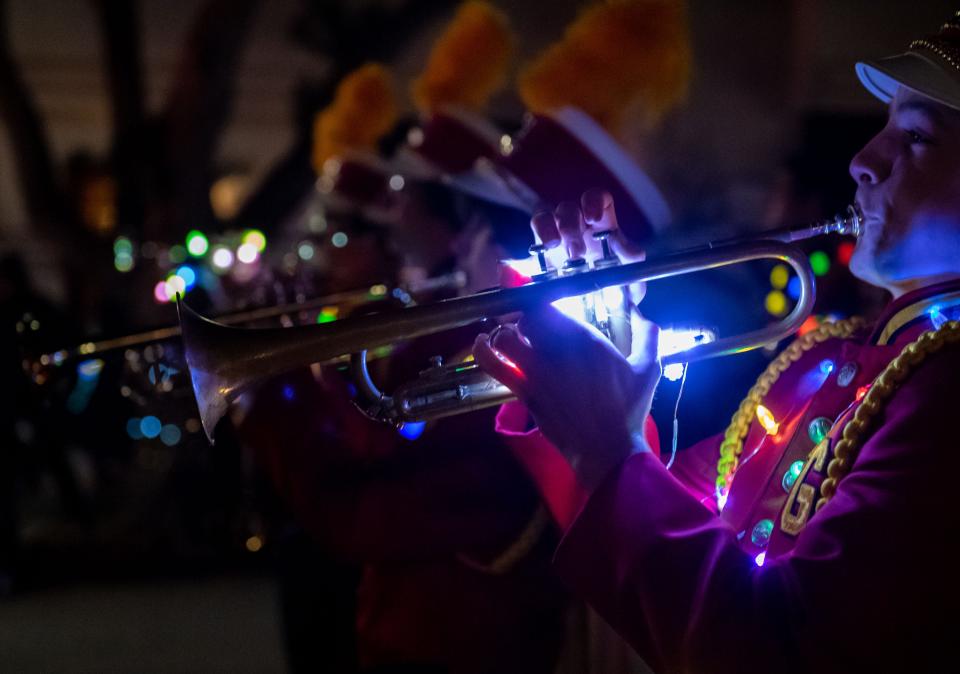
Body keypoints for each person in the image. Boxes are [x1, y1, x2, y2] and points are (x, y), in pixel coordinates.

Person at [474, 14, 960, 673]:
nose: (863, 160)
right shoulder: (831, 361)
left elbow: (778, 649)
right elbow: (660, 526)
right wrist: (596, 381)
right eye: (883, 129)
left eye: (917, 138)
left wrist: (608, 450)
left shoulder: (946, 393)